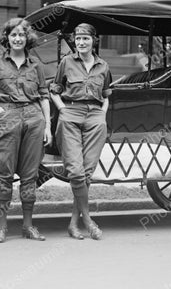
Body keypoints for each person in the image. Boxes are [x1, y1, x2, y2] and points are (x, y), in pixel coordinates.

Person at [0, 18, 52, 243]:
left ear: (28, 39)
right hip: (6, 119)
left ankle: (28, 226)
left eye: (21, 35)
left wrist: (47, 126)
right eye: (13, 34)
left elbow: (44, 96)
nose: (17, 39)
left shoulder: (35, 65)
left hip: (34, 120)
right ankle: (2, 227)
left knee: (30, 176)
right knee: (4, 175)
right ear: (6, 37)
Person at [50, 23, 111, 240]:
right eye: (78, 39)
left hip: (95, 118)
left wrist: (102, 114)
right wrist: (63, 110)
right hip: (71, 115)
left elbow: (106, 95)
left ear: (94, 40)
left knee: (86, 174)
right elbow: (54, 90)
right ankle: (87, 220)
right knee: (75, 171)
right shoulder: (67, 62)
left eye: (85, 38)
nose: (81, 42)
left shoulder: (104, 66)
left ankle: (73, 224)